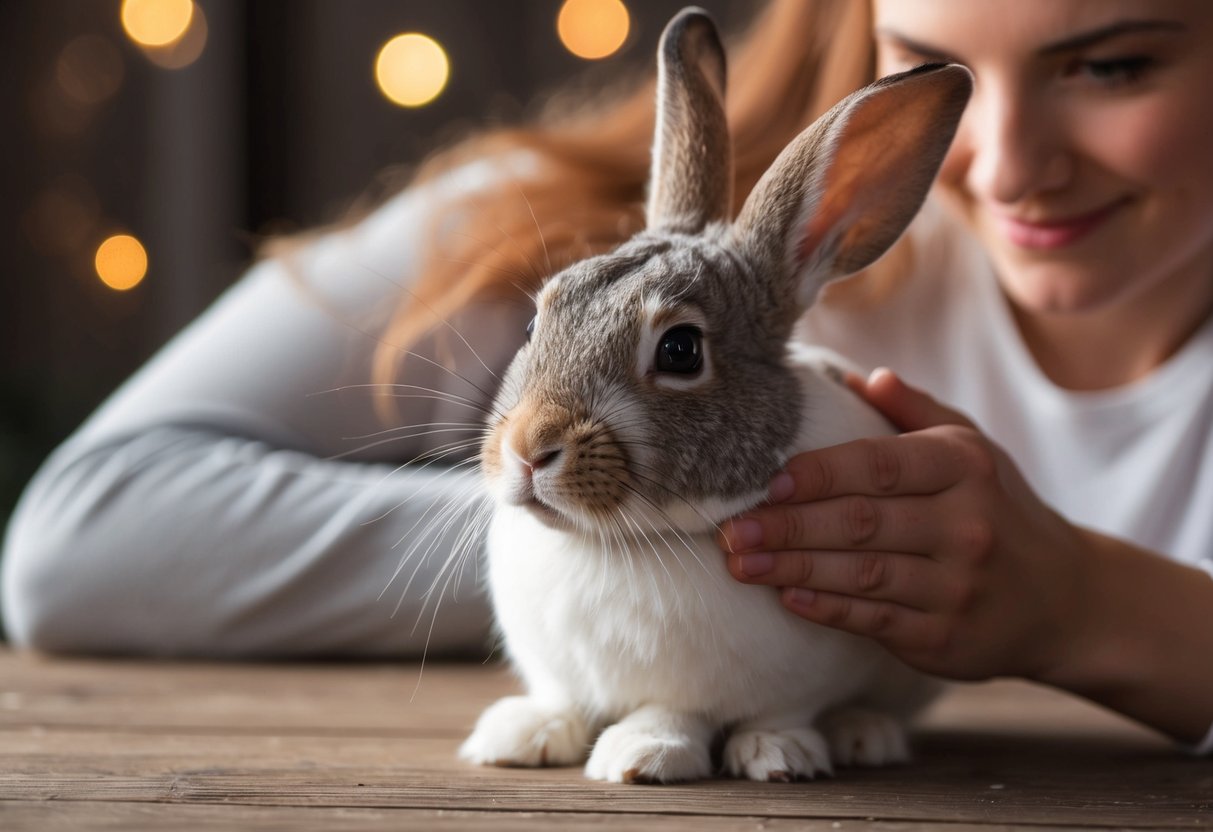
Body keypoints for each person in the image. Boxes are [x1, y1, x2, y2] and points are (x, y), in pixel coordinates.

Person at [3, 0, 1212, 755]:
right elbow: (83, 533)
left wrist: (1082, 606)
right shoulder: (589, 233)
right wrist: (632, 542)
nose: (1004, 167)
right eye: (925, 57)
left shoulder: (749, 296)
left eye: (1112, 66)